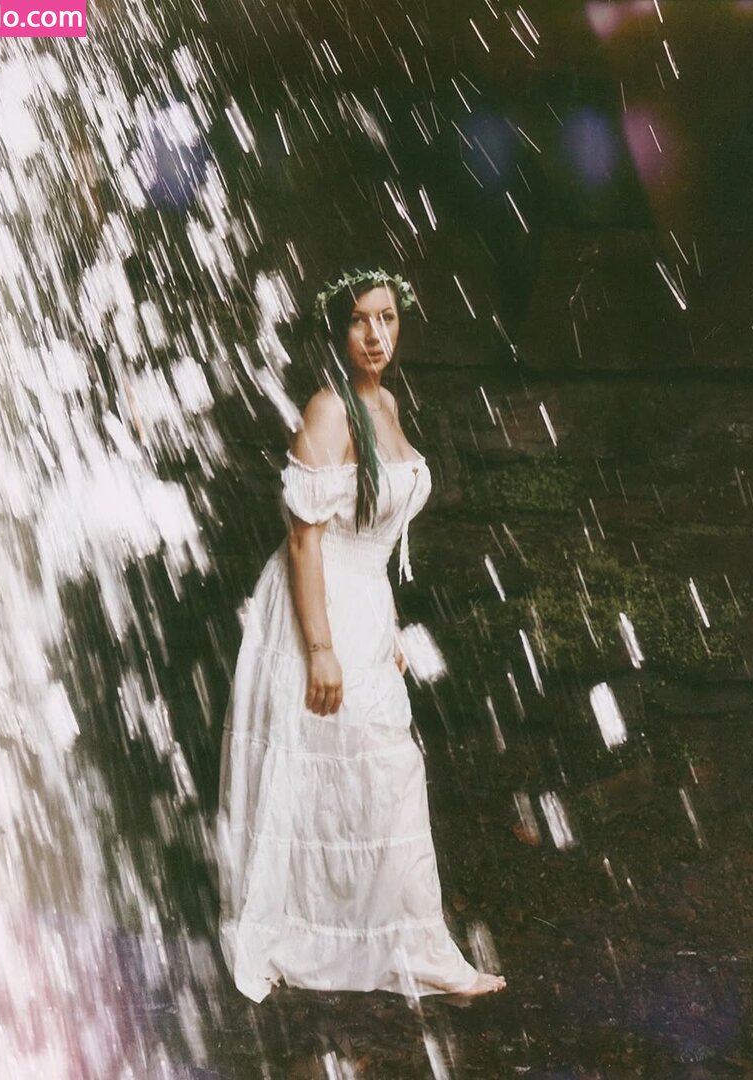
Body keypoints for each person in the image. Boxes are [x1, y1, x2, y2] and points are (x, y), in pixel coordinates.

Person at [216, 268, 506, 1002]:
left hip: (367, 604)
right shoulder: (329, 409)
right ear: (336, 331)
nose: (376, 335)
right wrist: (320, 648)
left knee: (381, 773)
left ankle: (404, 942)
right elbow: (306, 539)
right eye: (359, 320)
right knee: (338, 769)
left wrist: (387, 626)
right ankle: (323, 933)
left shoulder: (386, 403)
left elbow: (372, 536)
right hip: (320, 606)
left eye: (387, 318)